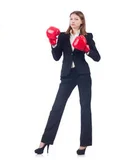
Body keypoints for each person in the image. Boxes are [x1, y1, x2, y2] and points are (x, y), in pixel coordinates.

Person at [34, 11, 101, 155]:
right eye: (71, 18)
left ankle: (84, 144)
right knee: (57, 107)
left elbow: (97, 57)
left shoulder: (88, 36)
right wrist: (52, 43)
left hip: (83, 74)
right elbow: (56, 57)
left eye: (76, 19)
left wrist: (87, 49)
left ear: (82, 21)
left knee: (85, 107)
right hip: (67, 75)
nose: (73, 21)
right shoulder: (63, 37)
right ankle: (44, 141)